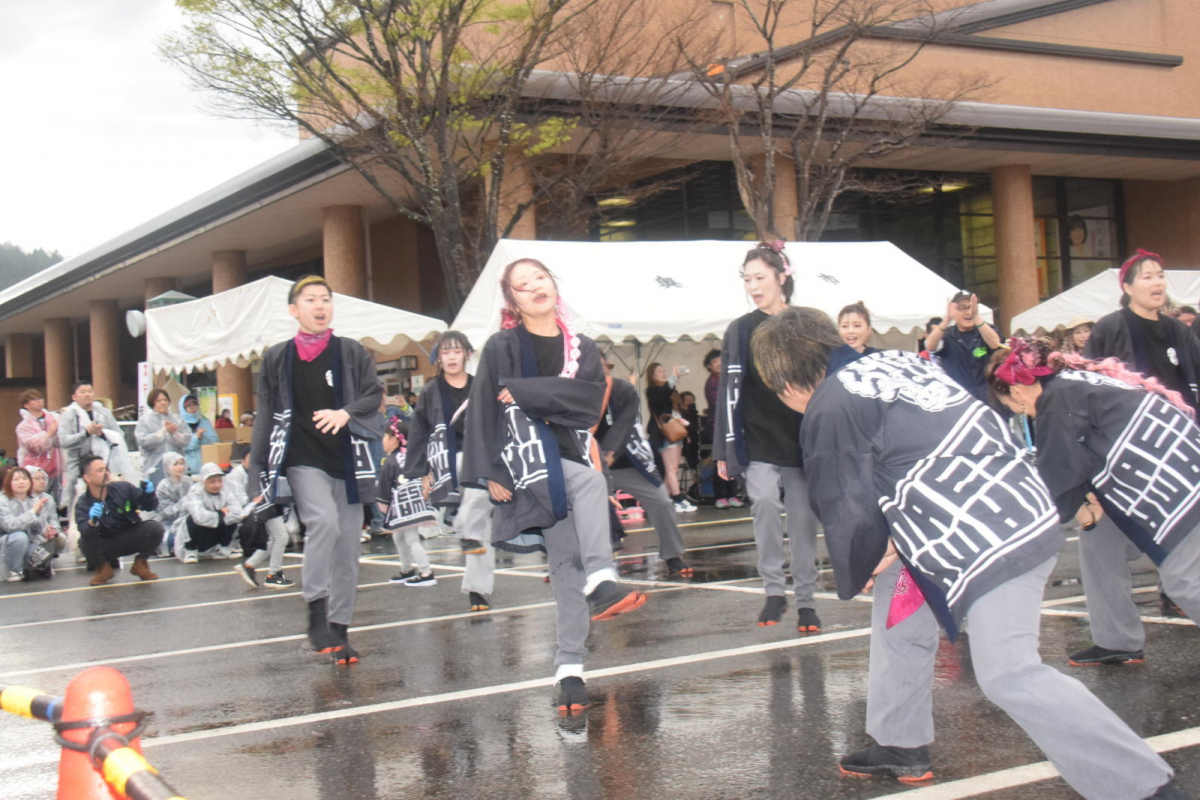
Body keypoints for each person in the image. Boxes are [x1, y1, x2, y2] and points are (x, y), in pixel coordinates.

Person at [749, 307, 1190, 800]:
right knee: (898, 611)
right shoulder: (900, 362)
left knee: (1009, 673)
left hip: (989, 535)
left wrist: (862, 562)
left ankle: (1144, 787)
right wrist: (890, 545)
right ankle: (899, 741)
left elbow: (843, 503)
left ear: (785, 382)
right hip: (1004, 506)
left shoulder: (830, 404)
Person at [461, 257, 646, 714]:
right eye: (521, 285)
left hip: (567, 452)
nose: (533, 287)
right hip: (521, 463)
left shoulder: (580, 347)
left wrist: (527, 393)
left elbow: (584, 406)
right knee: (587, 483)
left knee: (565, 563)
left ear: (553, 284)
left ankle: (569, 671)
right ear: (512, 299)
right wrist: (489, 473)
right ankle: (604, 577)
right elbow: (485, 405)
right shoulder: (502, 345)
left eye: (539, 278)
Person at [989, 338, 1200, 666]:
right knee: (1099, 540)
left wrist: (1072, 511)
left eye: (1015, 407)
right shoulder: (1077, 379)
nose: (1022, 413)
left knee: (1184, 580)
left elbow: (1058, 472)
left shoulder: (1056, 399)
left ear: (1017, 392)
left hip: (1178, 485)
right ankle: (1117, 639)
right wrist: (1087, 508)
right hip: (1173, 461)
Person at [248, 275, 383, 665]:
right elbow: (266, 417)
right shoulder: (276, 358)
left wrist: (345, 412)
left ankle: (339, 630)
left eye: (326, 299)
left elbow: (373, 394)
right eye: (311, 300)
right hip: (301, 456)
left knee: (349, 548)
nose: (320, 306)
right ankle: (314, 614)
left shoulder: (351, 352)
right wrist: (258, 471)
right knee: (322, 522)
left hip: (349, 458)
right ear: (294, 310)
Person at [713, 240, 822, 633]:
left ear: (781, 276)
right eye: (747, 279)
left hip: (801, 437)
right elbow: (728, 389)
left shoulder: (805, 323)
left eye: (760, 277)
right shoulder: (740, 329)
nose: (753, 286)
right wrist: (724, 449)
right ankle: (774, 590)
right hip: (757, 436)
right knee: (761, 501)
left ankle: (807, 600)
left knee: (802, 518)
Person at [1084, 249, 1200, 616]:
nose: (1157, 282)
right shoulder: (1109, 328)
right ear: (1128, 287)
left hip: (1179, 449)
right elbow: (1086, 385)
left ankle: (1172, 595)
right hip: (1127, 453)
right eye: (1147, 276)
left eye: (1160, 275)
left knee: (1182, 535)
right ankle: (1117, 639)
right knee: (1100, 541)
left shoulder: (1177, 330)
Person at [405, 331, 490, 609]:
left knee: (480, 528)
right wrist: (421, 471)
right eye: (446, 352)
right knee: (477, 520)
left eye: (457, 351)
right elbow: (419, 431)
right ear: (438, 357)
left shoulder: (481, 386)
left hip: (481, 458)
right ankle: (464, 522)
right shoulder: (431, 390)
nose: (452, 357)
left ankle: (477, 590)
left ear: (467, 354)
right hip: (448, 462)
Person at [597, 362, 692, 577]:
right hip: (593, 465)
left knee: (662, 502)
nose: (601, 371)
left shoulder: (622, 390)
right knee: (574, 506)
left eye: (605, 367)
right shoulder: (576, 392)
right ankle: (567, 561)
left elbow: (626, 427)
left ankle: (672, 554)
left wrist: (609, 455)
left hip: (629, 462)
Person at [74, 455, 162, 586]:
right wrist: (92, 521)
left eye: (106, 469)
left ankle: (141, 564)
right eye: (100, 470)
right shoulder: (83, 503)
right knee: (83, 541)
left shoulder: (124, 488)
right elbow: (85, 531)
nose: (106, 473)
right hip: (106, 544)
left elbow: (149, 506)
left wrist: (148, 494)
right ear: (87, 478)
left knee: (155, 528)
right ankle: (103, 568)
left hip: (129, 535)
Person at [377, 419, 435, 588]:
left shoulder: (391, 461)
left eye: (385, 437)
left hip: (404, 506)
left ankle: (426, 572)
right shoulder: (411, 456)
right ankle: (406, 569)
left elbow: (384, 488)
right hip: (415, 502)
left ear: (394, 439)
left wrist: (384, 509)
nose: (382, 440)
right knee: (399, 536)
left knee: (411, 539)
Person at [228, 444, 294, 588]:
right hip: (264, 504)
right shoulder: (252, 470)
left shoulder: (260, 466)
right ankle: (273, 574)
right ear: (243, 460)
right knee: (281, 537)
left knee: (274, 539)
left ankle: (250, 565)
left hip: (269, 503)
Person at [58, 382, 126, 515]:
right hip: (79, 462)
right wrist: (86, 433)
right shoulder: (69, 414)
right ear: (74, 397)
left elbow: (119, 434)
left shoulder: (104, 413)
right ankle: (75, 521)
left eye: (90, 391)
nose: (87, 394)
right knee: (75, 491)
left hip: (103, 461)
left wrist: (102, 434)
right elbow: (64, 441)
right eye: (83, 392)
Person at [923, 291, 1003, 403]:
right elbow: (930, 346)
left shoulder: (986, 329)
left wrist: (976, 317)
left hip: (988, 399)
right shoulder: (947, 334)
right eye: (962, 308)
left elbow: (995, 343)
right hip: (959, 400)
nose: (968, 312)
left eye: (971, 307)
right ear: (953, 311)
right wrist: (947, 319)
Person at [644, 362, 694, 512]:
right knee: (671, 469)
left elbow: (675, 410)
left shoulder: (668, 390)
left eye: (663, 371)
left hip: (675, 432)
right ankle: (678, 499)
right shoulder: (652, 390)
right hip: (665, 434)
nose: (663, 373)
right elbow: (663, 395)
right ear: (652, 376)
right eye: (659, 372)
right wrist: (674, 377)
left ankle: (663, 502)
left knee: (670, 470)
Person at [702, 349, 741, 510]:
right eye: (714, 362)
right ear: (709, 366)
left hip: (731, 426)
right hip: (718, 428)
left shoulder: (729, 379)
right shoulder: (713, 382)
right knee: (721, 462)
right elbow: (720, 404)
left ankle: (733, 494)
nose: (719, 363)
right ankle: (721, 496)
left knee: (733, 460)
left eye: (721, 360)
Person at [182, 463, 245, 563]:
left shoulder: (225, 491)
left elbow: (238, 512)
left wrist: (221, 515)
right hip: (200, 533)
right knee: (192, 520)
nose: (217, 485)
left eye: (219, 481)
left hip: (215, 531)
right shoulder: (195, 492)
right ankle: (191, 549)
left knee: (231, 518)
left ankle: (222, 546)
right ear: (203, 481)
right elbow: (199, 516)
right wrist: (220, 513)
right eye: (212, 482)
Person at [0, 468, 51, 582]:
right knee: (19, 537)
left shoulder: (34, 500)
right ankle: (14, 571)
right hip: (6, 541)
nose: (21, 482)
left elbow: (38, 529)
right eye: (16, 479)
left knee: (45, 551)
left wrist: (46, 530)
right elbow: (9, 526)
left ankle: (28, 569)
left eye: (24, 478)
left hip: (30, 540)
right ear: (9, 483)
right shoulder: (2, 501)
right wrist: (32, 512)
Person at [135, 389, 190, 487]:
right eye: (159, 401)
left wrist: (175, 434)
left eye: (165, 400)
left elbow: (186, 439)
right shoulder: (145, 420)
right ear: (152, 403)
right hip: (154, 467)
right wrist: (162, 432)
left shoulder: (177, 418)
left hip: (176, 468)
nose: (163, 403)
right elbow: (142, 441)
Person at [16, 390, 62, 504]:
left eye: (40, 398)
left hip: (56, 468)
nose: (39, 401)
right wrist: (48, 434)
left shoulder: (54, 419)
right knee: (36, 500)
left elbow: (63, 439)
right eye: (34, 399)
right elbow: (32, 446)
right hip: (35, 469)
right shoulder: (23, 426)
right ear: (26, 405)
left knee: (56, 501)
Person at [26, 466, 65, 578]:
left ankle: (48, 557)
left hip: (46, 533)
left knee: (60, 539)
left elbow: (53, 518)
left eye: (43, 478)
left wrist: (53, 528)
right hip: (32, 535)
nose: (42, 481)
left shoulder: (49, 498)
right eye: (37, 479)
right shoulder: (24, 498)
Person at [156, 452, 194, 560]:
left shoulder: (188, 481)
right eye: (175, 464)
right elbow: (167, 512)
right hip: (168, 522)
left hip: (187, 519)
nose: (179, 467)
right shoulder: (163, 486)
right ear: (167, 467)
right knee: (171, 540)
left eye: (181, 463)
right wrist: (184, 502)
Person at [830, 301, 879, 373]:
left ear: (869, 329)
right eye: (844, 326)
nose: (850, 331)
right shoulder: (831, 359)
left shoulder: (878, 357)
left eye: (857, 325)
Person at [178, 394, 219, 474]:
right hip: (186, 469)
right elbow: (180, 445)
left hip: (205, 467)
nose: (192, 407)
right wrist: (196, 438)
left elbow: (215, 441)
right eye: (188, 406)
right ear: (183, 408)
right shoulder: (179, 424)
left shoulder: (205, 421)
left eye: (194, 404)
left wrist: (202, 437)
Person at [678, 390, 701, 472]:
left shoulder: (697, 417)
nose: (691, 403)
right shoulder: (680, 418)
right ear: (681, 404)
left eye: (693, 401)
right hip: (689, 450)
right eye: (688, 401)